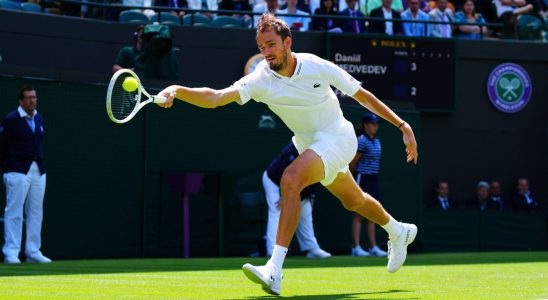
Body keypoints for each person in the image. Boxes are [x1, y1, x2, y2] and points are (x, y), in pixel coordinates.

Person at [157, 13, 418, 296]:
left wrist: (402, 126)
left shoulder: (317, 66)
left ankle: (274, 270)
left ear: (287, 43)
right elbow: (217, 98)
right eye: (261, 47)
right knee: (353, 200)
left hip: (339, 137)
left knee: (290, 178)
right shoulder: (260, 79)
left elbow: (363, 96)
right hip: (310, 145)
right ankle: (398, 230)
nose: (266, 52)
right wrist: (177, 90)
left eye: (271, 44)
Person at [0, 86, 51, 264]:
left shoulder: (39, 118)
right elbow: (2, 146)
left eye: (34, 97)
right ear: (21, 101)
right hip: (16, 171)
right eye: (28, 98)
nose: (32, 101)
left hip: (38, 170)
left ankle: (33, 251)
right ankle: (11, 253)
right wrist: (7, 170)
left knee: (36, 212)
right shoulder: (11, 119)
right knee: (14, 212)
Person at [263, 143, 331, 259]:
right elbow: (285, 175)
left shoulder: (317, 152)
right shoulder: (292, 150)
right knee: (277, 211)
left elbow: (314, 177)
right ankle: (271, 249)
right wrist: (285, 197)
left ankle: (311, 248)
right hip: (274, 182)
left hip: (298, 185)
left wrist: (311, 197)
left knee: (306, 212)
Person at [348, 113, 387, 257]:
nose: (375, 126)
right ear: (365, 125)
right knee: (359, 214)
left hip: (373, 179)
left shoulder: (377, 141)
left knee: (372, 213)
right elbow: (352, 163)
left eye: (376, 124)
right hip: (362, 178)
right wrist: (352, 181)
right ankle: (356, 248)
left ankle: (373, 247)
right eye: (372, 123)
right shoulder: (362, 140)